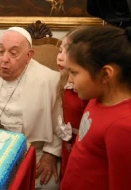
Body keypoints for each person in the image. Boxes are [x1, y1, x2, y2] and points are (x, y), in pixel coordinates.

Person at [0, 27, 62, 189]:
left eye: (13, 53)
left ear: (29, 56)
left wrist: (51, 154)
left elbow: (60, 127)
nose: (4, 59)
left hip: (32, 152)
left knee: (50, 185)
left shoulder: (50, 80)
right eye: (1, 51)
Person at [61, 26, 131, 190]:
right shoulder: (96, 97)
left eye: (74, 72)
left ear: (106, 74)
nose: (70, 80)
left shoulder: (122, 128)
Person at [55, 31, 88, 180]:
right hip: (66, 144)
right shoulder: (63, 83)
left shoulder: (85, 90)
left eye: (66, 52)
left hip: (81, 146)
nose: (59, 56)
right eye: (60, 50)